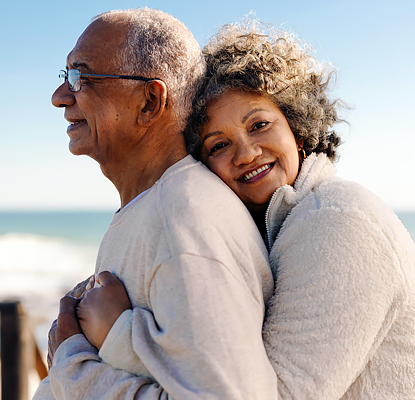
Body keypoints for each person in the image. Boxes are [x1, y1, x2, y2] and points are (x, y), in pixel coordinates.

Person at [76, 21, 415, 399]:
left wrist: (116, 336)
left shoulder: (337, 221)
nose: (246, 153)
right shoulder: (282, 225)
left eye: (260, 125)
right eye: (218, 146)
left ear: (298, 129)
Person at [33, 8, 278, 400]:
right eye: (65, 77)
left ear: (149, 101)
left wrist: (71, 363)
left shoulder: (184, 217)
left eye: (80, 77)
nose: (60, 97)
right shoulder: (158, 207)